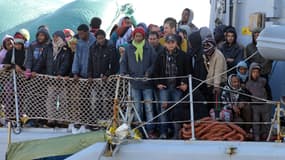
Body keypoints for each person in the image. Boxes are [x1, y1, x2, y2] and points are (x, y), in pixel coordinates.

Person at [120, 27, 157, 138]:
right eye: (136, 36)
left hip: (147, 84)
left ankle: (150, 130)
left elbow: (154, 63)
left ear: (143, 36)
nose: (138, 38)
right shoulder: (129, 49)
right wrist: (123, 73)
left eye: (140, 36)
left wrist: (148, 73)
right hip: (134, 83)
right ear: (133, 36)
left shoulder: (149, 49)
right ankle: (138, 130)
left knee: (149, 107)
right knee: (137, 108)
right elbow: (124, 63)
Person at [153, 34, 190, 139]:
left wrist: (185, 83)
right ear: (165, 44)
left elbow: (188, 71)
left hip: (177, 87)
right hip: (164, 87)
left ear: (176, 43)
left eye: (172, 42)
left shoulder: (183, 55)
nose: (170, 45)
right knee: (163, 109)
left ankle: (176, 133)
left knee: (177, 110)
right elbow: (155, 72)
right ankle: (163, 132)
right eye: (168, 42)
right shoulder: (160, 55)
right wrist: (157, 84)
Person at [246, 63, 272, 141]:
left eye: (257, 72)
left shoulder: (263, 81)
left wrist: (269, 100)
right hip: (254, 105)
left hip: (264, 104)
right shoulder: (248, 83)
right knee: (256, 122)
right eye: (254, 72)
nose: (256, 74)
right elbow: (246, 95)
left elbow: (268, 91)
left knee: (266, 121)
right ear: (250, 72)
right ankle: (256, 136)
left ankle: (267, 135)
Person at [202, 38, 227, 113]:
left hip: (219, 84)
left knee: (217, 105)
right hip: (210, 83)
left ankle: (217, 119)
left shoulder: (218, 56)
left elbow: (218, 72)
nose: (207, 52)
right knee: (210, 105)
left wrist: (216, 86)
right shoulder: (205, 54)